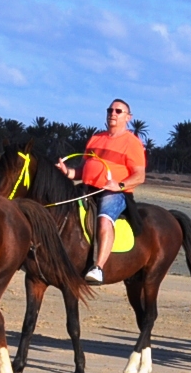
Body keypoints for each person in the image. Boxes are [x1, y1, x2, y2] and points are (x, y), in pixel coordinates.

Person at [61, 98, 144, 284]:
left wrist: (119, 186)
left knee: (104, 221)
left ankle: (98, 268)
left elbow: (140, 176)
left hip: (114, 193)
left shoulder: (132, 143)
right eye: (110, 110)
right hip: (87, 188)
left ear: (128, 117)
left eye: (118, 111)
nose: (112, 113)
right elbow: (81, 171)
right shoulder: (95, 138)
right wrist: (67, 172)